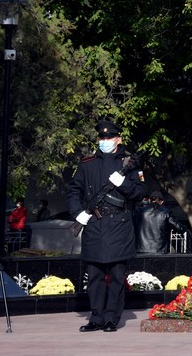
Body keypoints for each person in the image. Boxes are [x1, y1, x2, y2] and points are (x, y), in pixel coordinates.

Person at [67, 119, 145, 332]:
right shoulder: (87, 163)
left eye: (109, 137)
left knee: (117, 276)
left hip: (119, 224)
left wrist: (124, 184)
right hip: (95, 224)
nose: (105, 141)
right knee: (95, 276)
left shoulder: (129, 163)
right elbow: (74, 191)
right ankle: (96, 317)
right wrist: (79, 214)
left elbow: (139, 192)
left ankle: (112, 318)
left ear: (118, 139)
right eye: (102, 137)